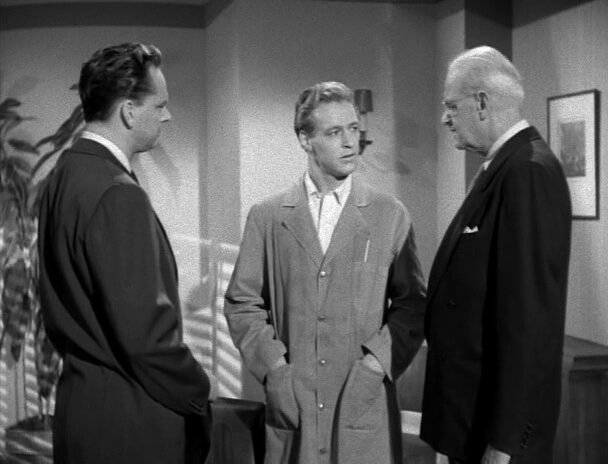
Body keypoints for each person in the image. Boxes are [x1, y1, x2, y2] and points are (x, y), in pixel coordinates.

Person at [224, 81, 426, 464]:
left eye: (353, 129)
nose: (350, 142)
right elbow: (241, 303)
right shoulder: (267, 218)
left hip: (362, 401)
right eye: (334, 132)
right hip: (294, 401)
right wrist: (275, 369)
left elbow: (413, 306)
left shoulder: (389, 215)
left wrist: (375, 366)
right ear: (306, 140)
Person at [38, 42, 213, 464]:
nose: (167, 116)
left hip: (81, 415)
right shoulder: (119, 194)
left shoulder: (63, 175)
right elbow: (147, 340)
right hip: (131, 426)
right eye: (160, 105)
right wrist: (198, 391)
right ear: (129, 111)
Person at [420, 46, 572, 464]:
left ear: (482, 103)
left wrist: (504, 443)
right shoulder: (504, 166)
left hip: (493, 435)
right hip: (468, 422)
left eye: (451, 106)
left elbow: (529, 321)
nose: (444, 117)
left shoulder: (527, 172)